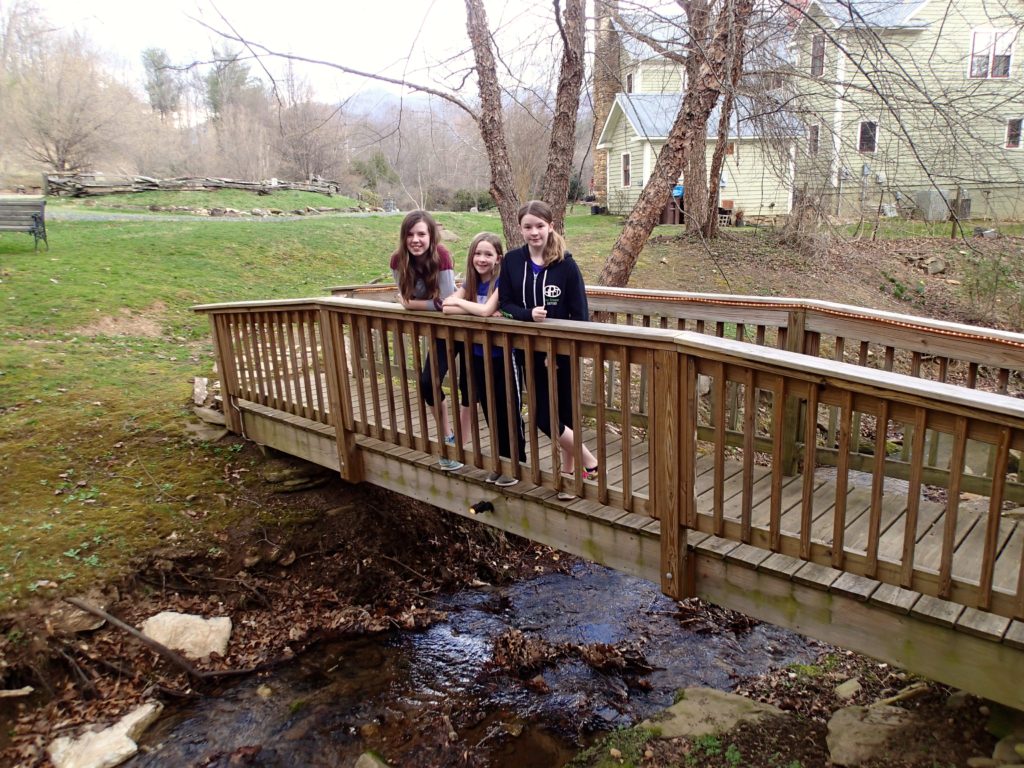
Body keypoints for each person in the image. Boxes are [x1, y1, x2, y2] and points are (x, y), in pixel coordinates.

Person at [498, 200, 598, 499]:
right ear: (520, 229)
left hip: (562, 351)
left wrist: (563, 351)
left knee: (564, 413)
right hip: (528, 351)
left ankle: (570, 477)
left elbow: (580, 312)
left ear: (550, 226)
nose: (534, 232)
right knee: (544, 416)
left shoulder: (565, 263)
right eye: (528, 227)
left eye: (540, 226)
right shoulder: (513, 261)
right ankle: (589, 460)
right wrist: (529, 315)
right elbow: (505, 304)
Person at [443, 233, 526, 487]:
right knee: (490, 409)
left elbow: (486, 309)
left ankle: (515, 463)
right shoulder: (471, 282)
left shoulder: (503, 281)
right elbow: (447, 306)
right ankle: (500, 463)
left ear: (498, 258)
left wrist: (473, 308)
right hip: (478, 355)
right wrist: (476, 309)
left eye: (488, 254)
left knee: (508, 409)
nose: (482, 259)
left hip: (503, 356)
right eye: (478, 253)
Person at [390, 210, 465, 471]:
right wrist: (415, 304)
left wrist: (413, 305)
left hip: (460, 325)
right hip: (437, 332)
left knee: (473, 389)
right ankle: (448, 437)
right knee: (427, 382)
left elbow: (446, 302)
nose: (416, 239)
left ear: (431, 235)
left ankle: (485, 452)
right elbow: (405, 296)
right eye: (410, 234)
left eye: (421, 234)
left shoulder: (441, 256)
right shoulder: (397, 260)